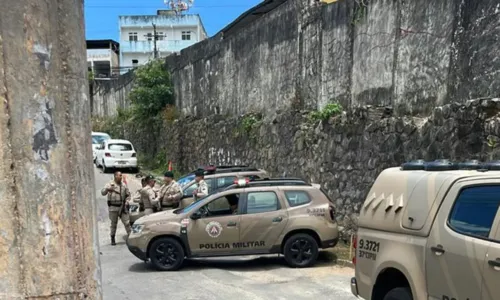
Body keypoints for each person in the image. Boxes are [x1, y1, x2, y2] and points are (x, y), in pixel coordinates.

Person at [101, 171, 131, 246]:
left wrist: (127, 201)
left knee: (127, 223)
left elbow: (128, 195)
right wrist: (107, 189)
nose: (121, 177)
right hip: (113, 207)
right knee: (113, 224)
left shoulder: (124, 185)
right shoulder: (109, 184)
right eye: (119, 175)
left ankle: (131, 238)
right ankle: (112, 238)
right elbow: (103, 193)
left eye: (121, 175)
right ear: (115, 176)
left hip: (122, 207)